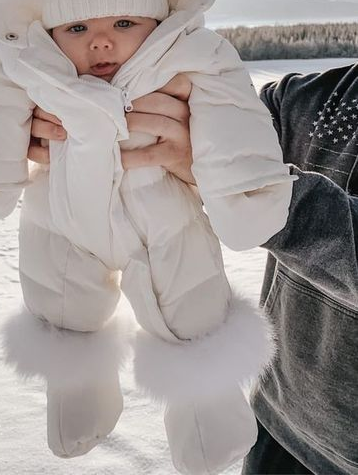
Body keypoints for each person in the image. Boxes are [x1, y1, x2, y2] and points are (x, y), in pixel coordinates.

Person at [0, 0, 295, 475]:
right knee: (59, 304)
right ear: (52, 29)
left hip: (164, 217)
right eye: (79, 27)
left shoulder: (191, 55)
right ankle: (77, 390)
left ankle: (208, 414)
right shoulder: (26, 62)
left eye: (123, 24)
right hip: (61, 218)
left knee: (191, 312)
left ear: (156, 22)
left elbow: (234, 118)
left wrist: (247, 192)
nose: (101, 43)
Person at [30, 62, 358, 475]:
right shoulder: (311, 97)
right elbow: (220, 118)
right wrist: (88, 110)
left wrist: (227, 178)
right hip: (277, 420)